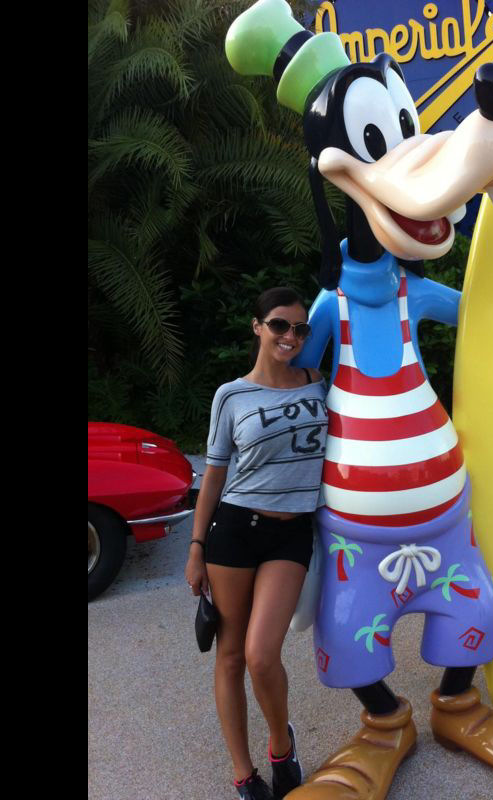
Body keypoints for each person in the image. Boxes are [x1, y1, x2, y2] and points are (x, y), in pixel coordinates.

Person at [185, 286, 327, 800]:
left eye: (300, 328)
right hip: (234, 530)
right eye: (279, 325)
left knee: (262, 654)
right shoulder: (232, 395)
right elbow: (215, 476)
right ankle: (244, 774)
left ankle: (281, 746)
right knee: (230, 656)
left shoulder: (319, 384)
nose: (290, 336)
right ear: (258, 327)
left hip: (291, 532)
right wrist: (196, 546)